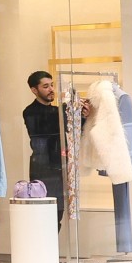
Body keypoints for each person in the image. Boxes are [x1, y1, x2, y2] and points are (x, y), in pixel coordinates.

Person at [22, 71, 87, 229]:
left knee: (57, 214)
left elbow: (70, 132)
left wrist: (82, 117)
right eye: (46, 86)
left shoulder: (55, 111)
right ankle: (43, 251)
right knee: (45, 215)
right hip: (43, 170)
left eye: (52, 85)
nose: (51, 89)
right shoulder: (30, 112)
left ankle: (50, 251)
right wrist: (70, 109)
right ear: (34, 90)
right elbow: (49, 129)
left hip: (58, 168)